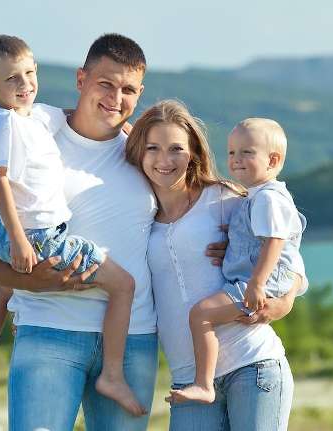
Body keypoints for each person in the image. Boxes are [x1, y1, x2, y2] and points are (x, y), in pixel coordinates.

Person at [0, 34, 193, 430]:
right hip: (49, 332)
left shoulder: (146, 151)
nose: (115, 98)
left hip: (133, 337)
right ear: (81, 78)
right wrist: (30, 282)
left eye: (128, 90)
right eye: (105, 83)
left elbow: (194, 209)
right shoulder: (29, 131)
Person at [125, 99, 304, 431]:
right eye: (152, 148)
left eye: (176, 148)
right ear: (138, 152)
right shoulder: (136, 214)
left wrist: (285, 299)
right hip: (189, 381)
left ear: (192, 152)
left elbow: (285, 245)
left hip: (251, 365)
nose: (164, 160)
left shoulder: (223, 200)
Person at [166, 117, 308, 406]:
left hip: (257, 284)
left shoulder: (268, 198)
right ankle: (206, 383)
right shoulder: (255, 197)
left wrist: (256, 283)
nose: (236, 159)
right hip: (252, 280)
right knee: (203, 315)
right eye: (232, 152)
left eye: (247, 152)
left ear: (273, 160)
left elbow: (275, 242)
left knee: (200, 315)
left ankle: (204, 385)